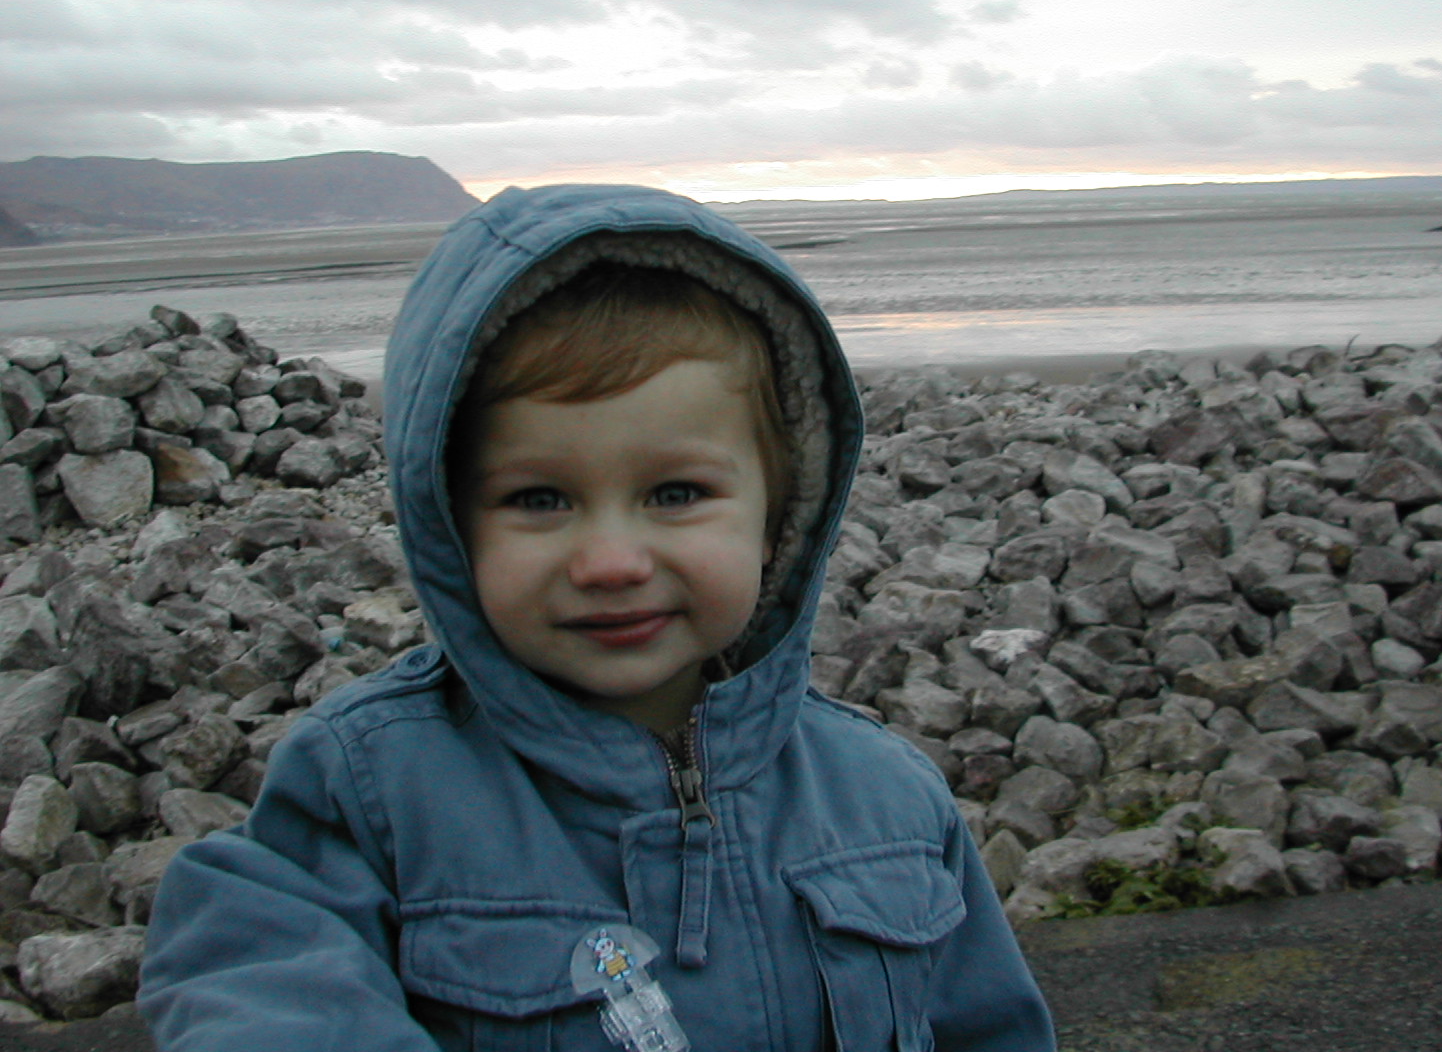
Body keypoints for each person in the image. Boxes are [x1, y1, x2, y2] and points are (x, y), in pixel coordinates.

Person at [138, 184, 1055, 1051]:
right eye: (539, 499)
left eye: (675, 493)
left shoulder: (887, 797)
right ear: (449, 523)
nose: (612, 562)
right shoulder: (370, 787)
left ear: (780, 516)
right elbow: (256, 968)